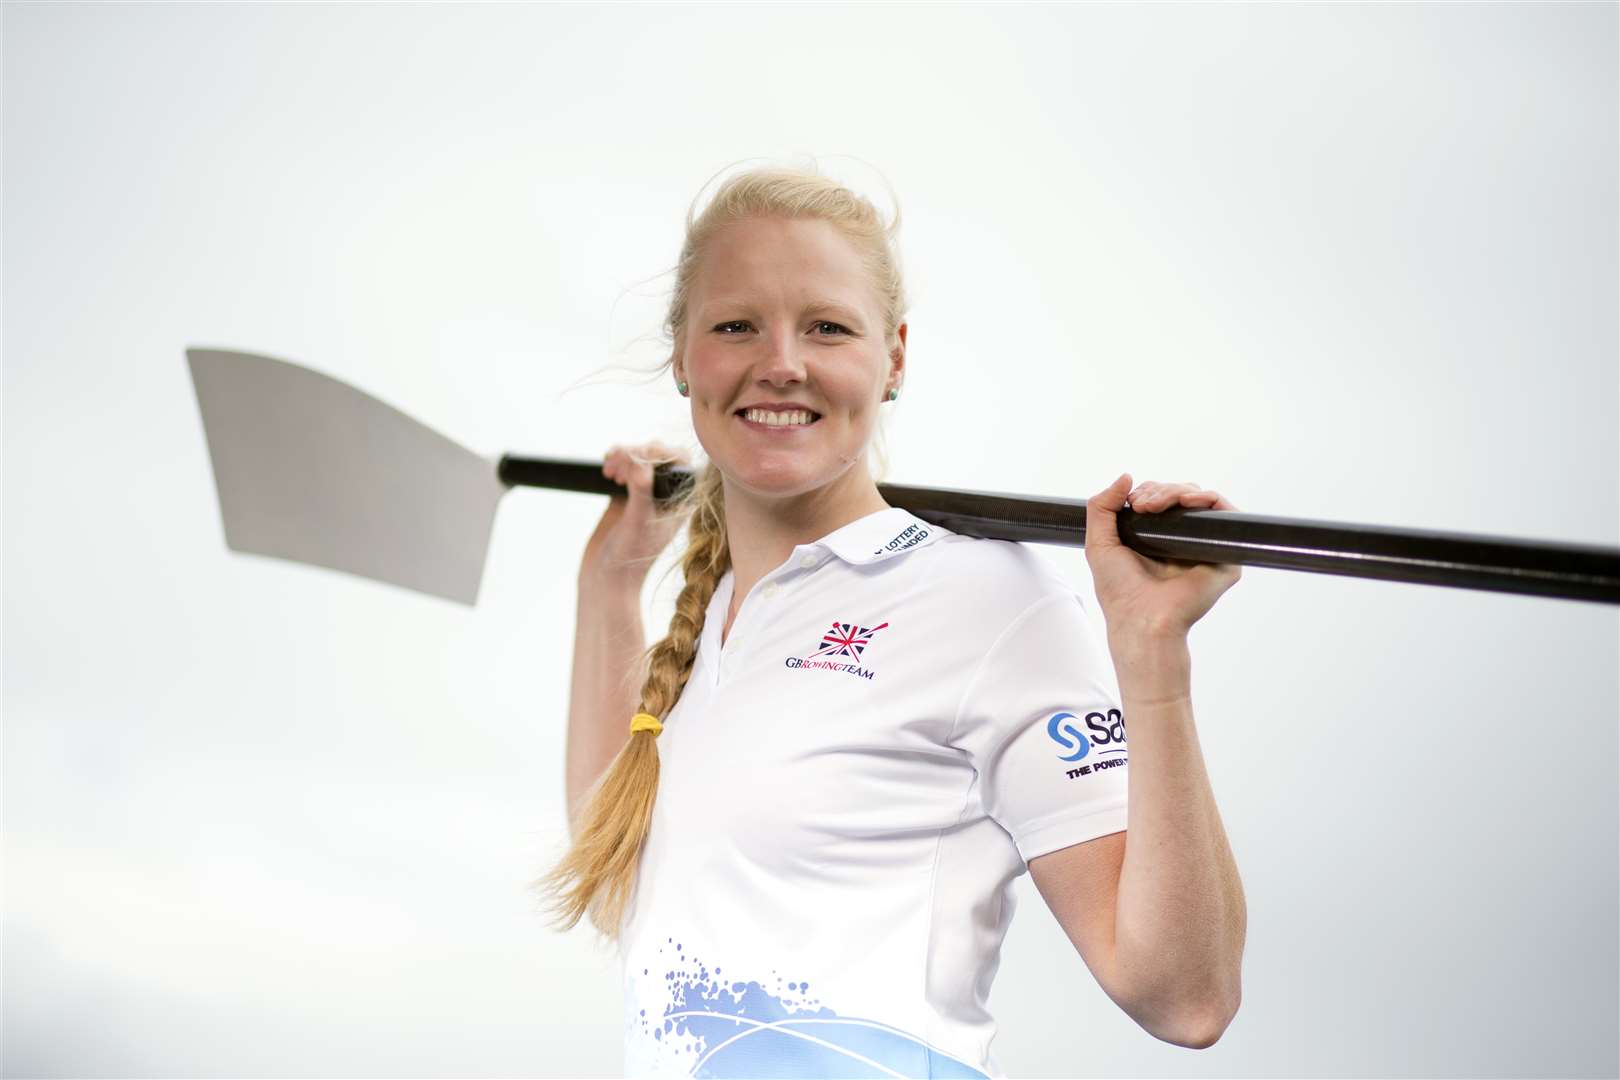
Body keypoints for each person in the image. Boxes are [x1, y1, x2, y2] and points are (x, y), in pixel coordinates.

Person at [533, 162, 1247, 1078]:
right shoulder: (713, 615)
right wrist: (612, 585)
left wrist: (1153, 660)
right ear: (683, 355)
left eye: (826, 327)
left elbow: (1188, 999)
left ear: (894, 357)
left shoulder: (985, 602)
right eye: (736, 324)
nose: (781, 361)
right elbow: (618, 885)